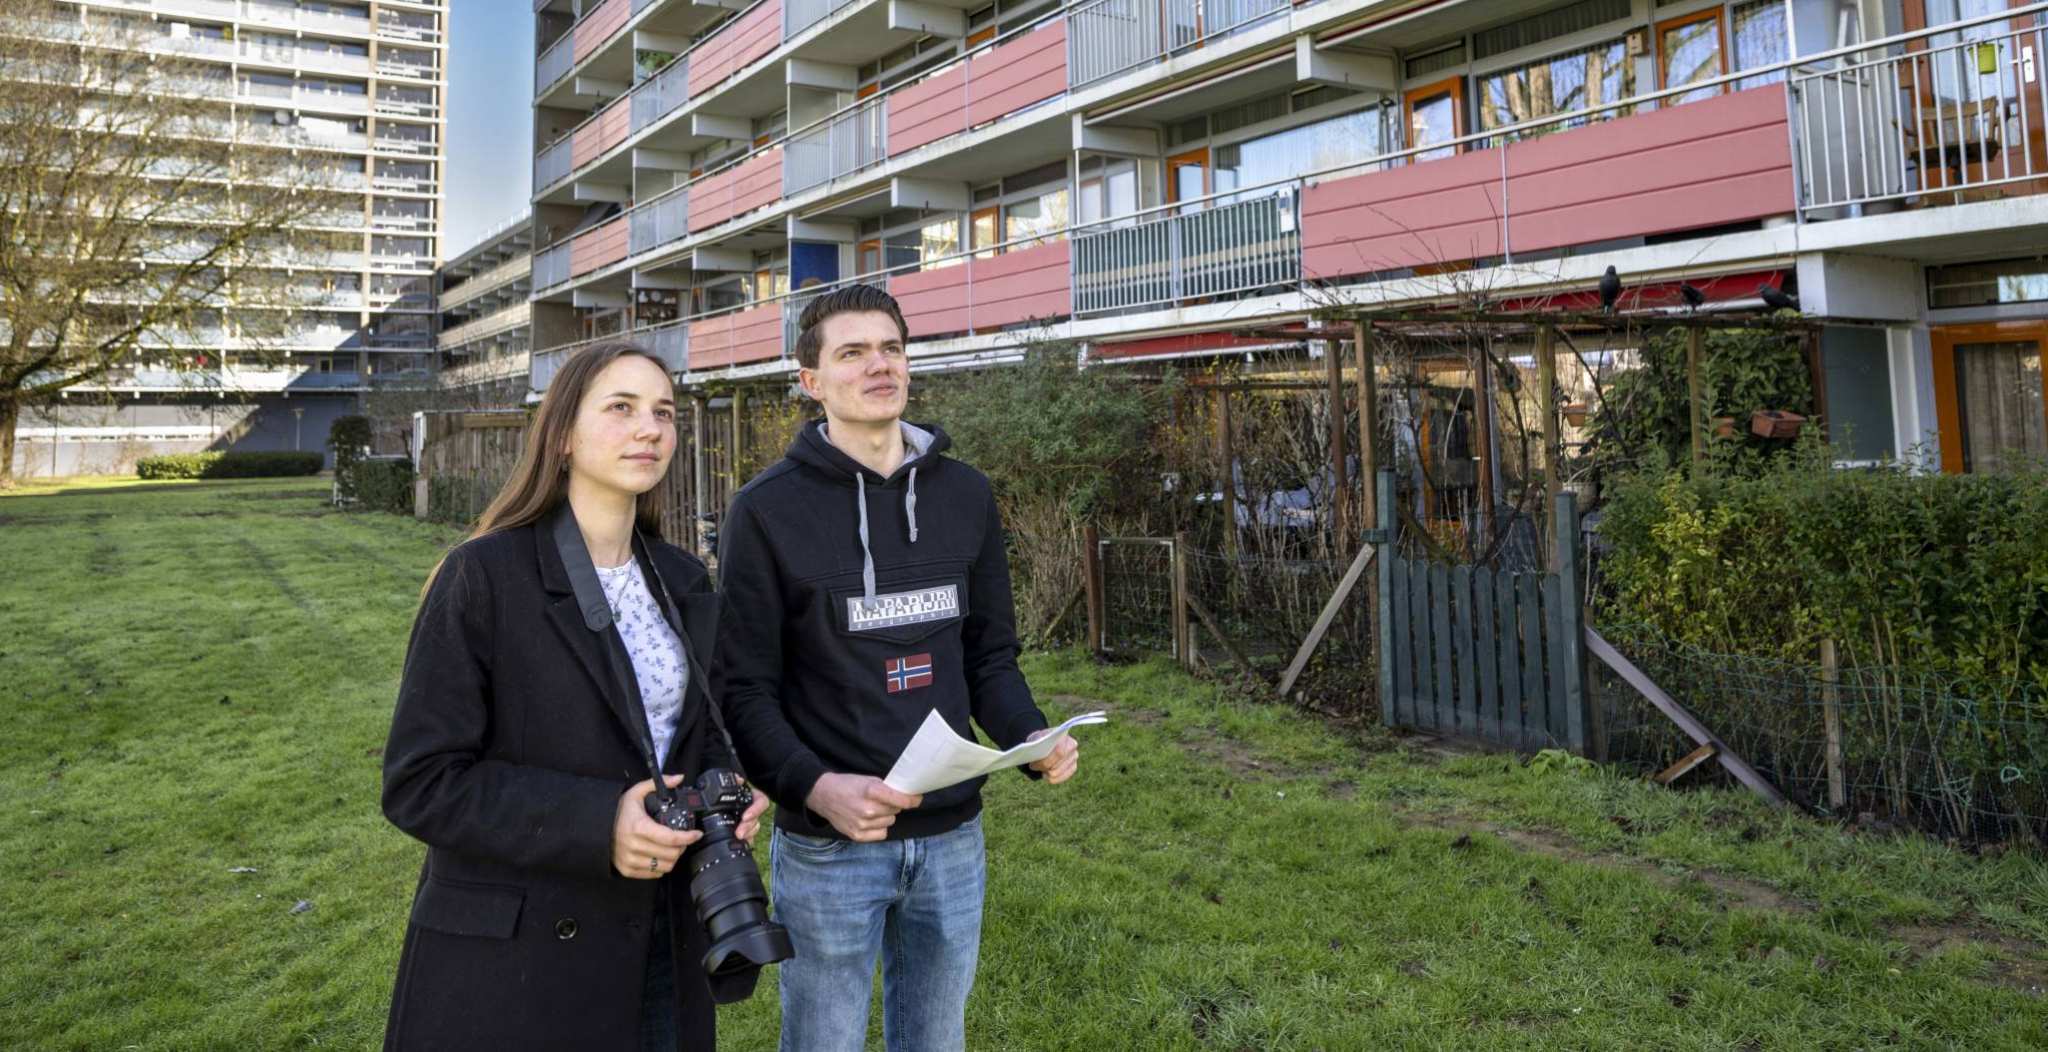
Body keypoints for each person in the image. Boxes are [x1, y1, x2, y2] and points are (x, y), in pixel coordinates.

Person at [711, 284, 1080, 1052]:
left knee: (936, 1041)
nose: (880, 366)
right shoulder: (765, 511)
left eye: (892, 348)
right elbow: (742, 689)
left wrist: (1030, 734)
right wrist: (815, 789)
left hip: (952, 840)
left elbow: (989, 655)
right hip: (830, 846)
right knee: (824, 1041)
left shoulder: (967, 495)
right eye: (853, 353)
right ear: (810, 381)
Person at [380, 342, 769, 1051]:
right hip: (523, 958)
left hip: (660, 936)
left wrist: (727, 785)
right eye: (620, 408)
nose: (649, 428)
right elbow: (420, 783)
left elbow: (696, 732)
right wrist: (598, 823)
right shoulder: (483, 577)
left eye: (662, 413)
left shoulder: (682, 579)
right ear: (562, 434)